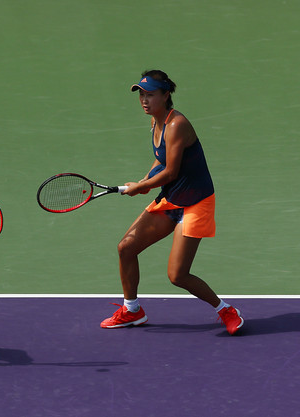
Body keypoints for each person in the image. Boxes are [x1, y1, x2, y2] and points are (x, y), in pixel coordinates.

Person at [100, 70, 244, 335]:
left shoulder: (177, 124)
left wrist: (141, 187)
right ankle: (133, 311)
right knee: (126, 248)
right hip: (172, 200)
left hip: (195, 204)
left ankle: (226, 310)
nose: (144, 100)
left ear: (166, 95)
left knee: (178, 275)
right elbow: (161, 160)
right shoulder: (156, 122)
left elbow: (171, 172)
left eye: (151, 94)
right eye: (141, 94)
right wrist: (145, 180)